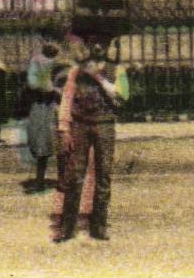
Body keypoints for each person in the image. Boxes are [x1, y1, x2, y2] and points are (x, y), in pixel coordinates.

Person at [51, 42, 130, 242]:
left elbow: (122, 97)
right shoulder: (76, 72)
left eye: (101, 42)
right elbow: (66, 99)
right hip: (79, 125)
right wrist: (63, 128)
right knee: (75, 176)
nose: (97, 47)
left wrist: (98, 77)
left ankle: (99, 226)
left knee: (104, 175)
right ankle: (67, 228)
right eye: (92, 42)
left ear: (108, 46)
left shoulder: (117, 70)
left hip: (104, 125)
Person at [23, 43, 62, 192]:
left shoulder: (61, 63)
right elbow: (33, 83)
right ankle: (40, 180)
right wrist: (48, 87)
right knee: (41, 143)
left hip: (56, 106)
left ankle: (63, 179)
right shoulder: (37, 60)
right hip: (41, 105)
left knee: (61, 142)